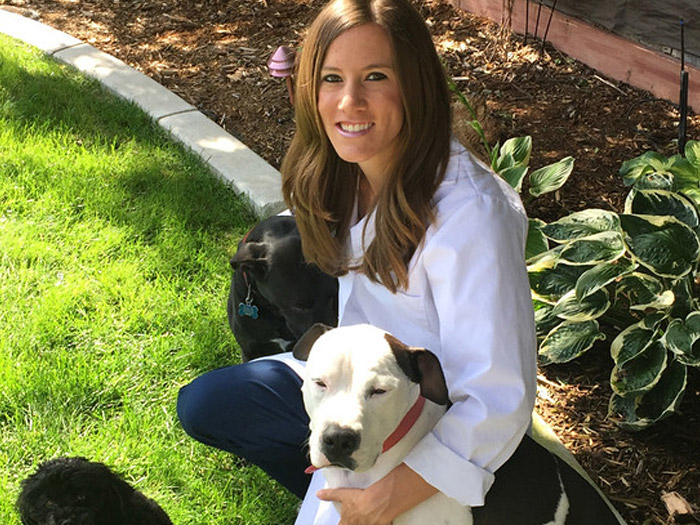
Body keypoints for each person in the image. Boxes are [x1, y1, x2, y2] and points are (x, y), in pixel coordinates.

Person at [177, 0, 537, 523]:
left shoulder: (471, 214)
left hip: (432, 419)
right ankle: (338, 481)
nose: (349, 101)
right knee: (211, 404)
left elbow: (496, 396)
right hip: (356, 390)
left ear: (416, 85)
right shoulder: (350, 174)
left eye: (375, 76)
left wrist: (390, 495)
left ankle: (368, 495)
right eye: (331, 78)